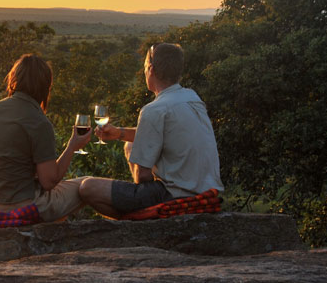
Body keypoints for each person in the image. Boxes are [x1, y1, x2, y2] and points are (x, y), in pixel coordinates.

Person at [80, 43, 223, 219]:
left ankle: (137, 221)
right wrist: (119, 133)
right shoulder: (192, 98)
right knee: (130, 145)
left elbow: (143, 175)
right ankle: (139, 216)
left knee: (87, 188)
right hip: (205, 191)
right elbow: (160, 135)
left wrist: (141, 191)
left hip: (172, 195)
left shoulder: (154, 109)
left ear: (151, 69)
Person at [0, 53, 91, 222]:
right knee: (86, 186)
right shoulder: (39, 122)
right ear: (45, 86)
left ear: (14, 80)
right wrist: (72, 146)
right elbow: (49, 182)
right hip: (18, 204)